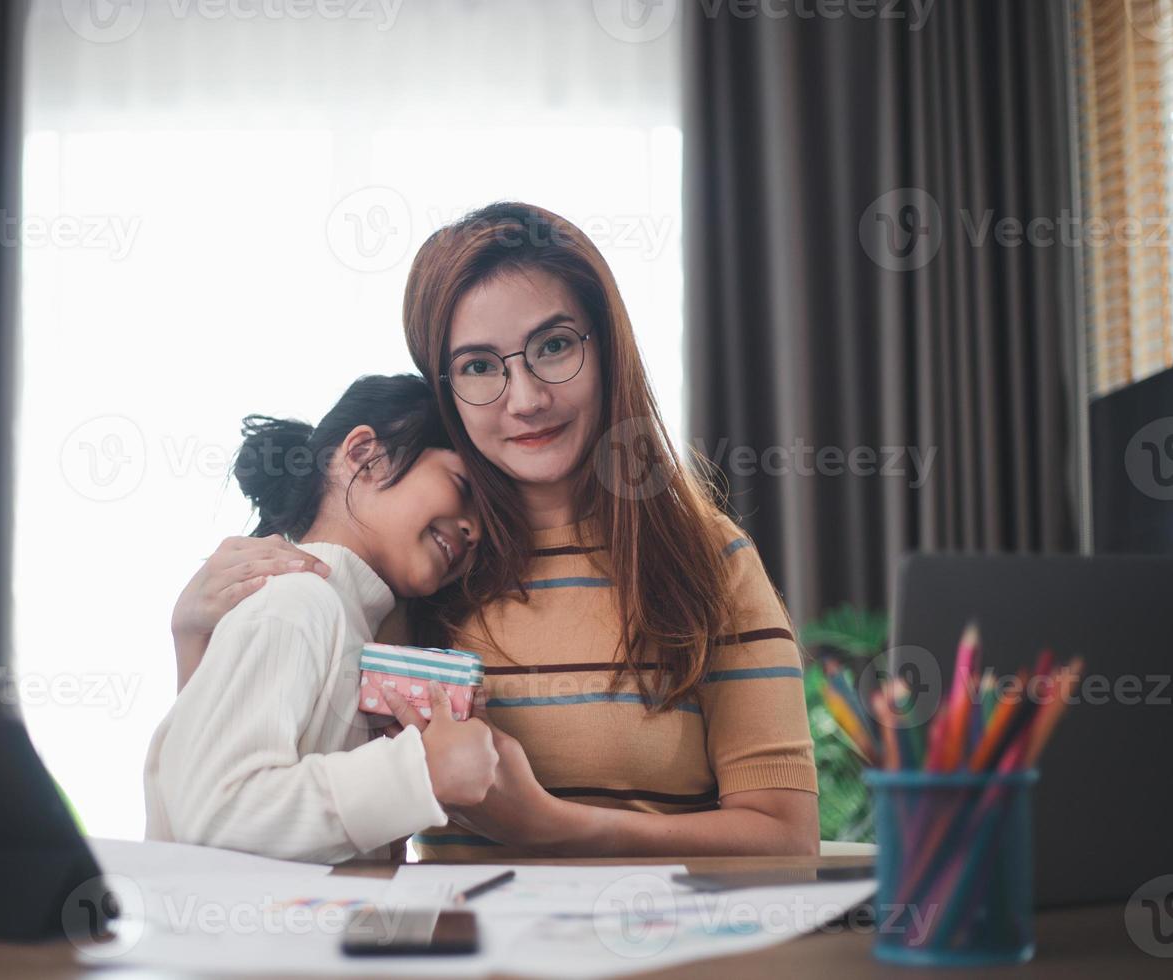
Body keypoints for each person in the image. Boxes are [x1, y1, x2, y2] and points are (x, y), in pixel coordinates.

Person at [171, 203, 819, 860]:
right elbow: (268, 815)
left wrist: (561, 826)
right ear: (446, 385)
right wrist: (195, 644)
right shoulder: (417, 575)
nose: (527, 398)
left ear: (607, 348)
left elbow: (787, 840)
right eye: (480, 366)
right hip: (463, 956)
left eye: (556, 345)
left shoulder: (708, 561)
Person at [144, 374, 497, 863]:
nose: (475, 529)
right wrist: (419, 772)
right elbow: (213, 814)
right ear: (364, 455)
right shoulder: (300, 602)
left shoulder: (347, 622)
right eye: (461, 485)